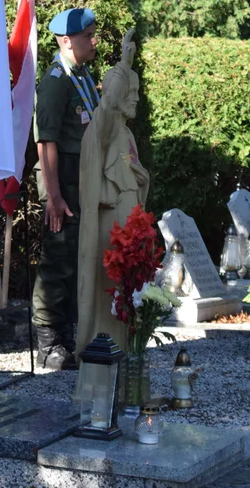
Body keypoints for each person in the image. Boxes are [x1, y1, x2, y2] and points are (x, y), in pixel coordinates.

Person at [33, 7, 99, 370]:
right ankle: (48, 341)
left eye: (92, 34)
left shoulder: (84, 75)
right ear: (65, 41)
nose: (94, 41)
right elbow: (46, 142)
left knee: (78, 258)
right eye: (87, 36)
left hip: (83, 177)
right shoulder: (57, 81)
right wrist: (54, 196)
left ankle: (71, 334)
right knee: (58, 259)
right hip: (63, 177)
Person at [77, 28, 149, 355]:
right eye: (129, 91)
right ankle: (106, 364)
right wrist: (123, 65)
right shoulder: (101, 129)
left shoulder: (127, 136)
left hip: (129, 230)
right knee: (109, 295)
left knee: (126, 299)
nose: (135, 97)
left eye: (135, 90)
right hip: (110, 231)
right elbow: (105, 108)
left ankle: (127, 369)